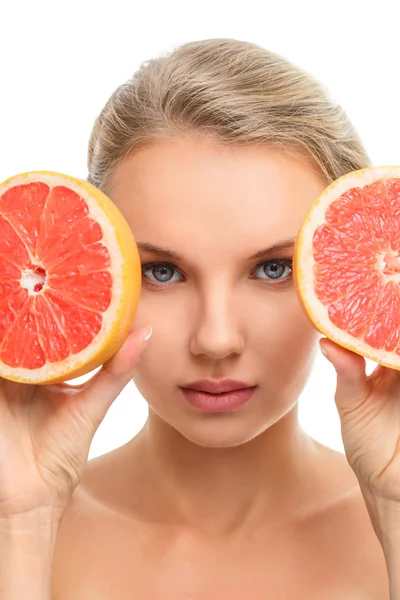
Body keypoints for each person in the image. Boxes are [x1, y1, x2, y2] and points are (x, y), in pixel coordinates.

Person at [0, 38, 399, 599]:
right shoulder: (19, 521)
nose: (215, 339)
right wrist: (22, 527)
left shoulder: (392, 525)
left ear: (349, 270)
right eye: (163, 272)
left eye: (273, 268)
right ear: (94, 274)